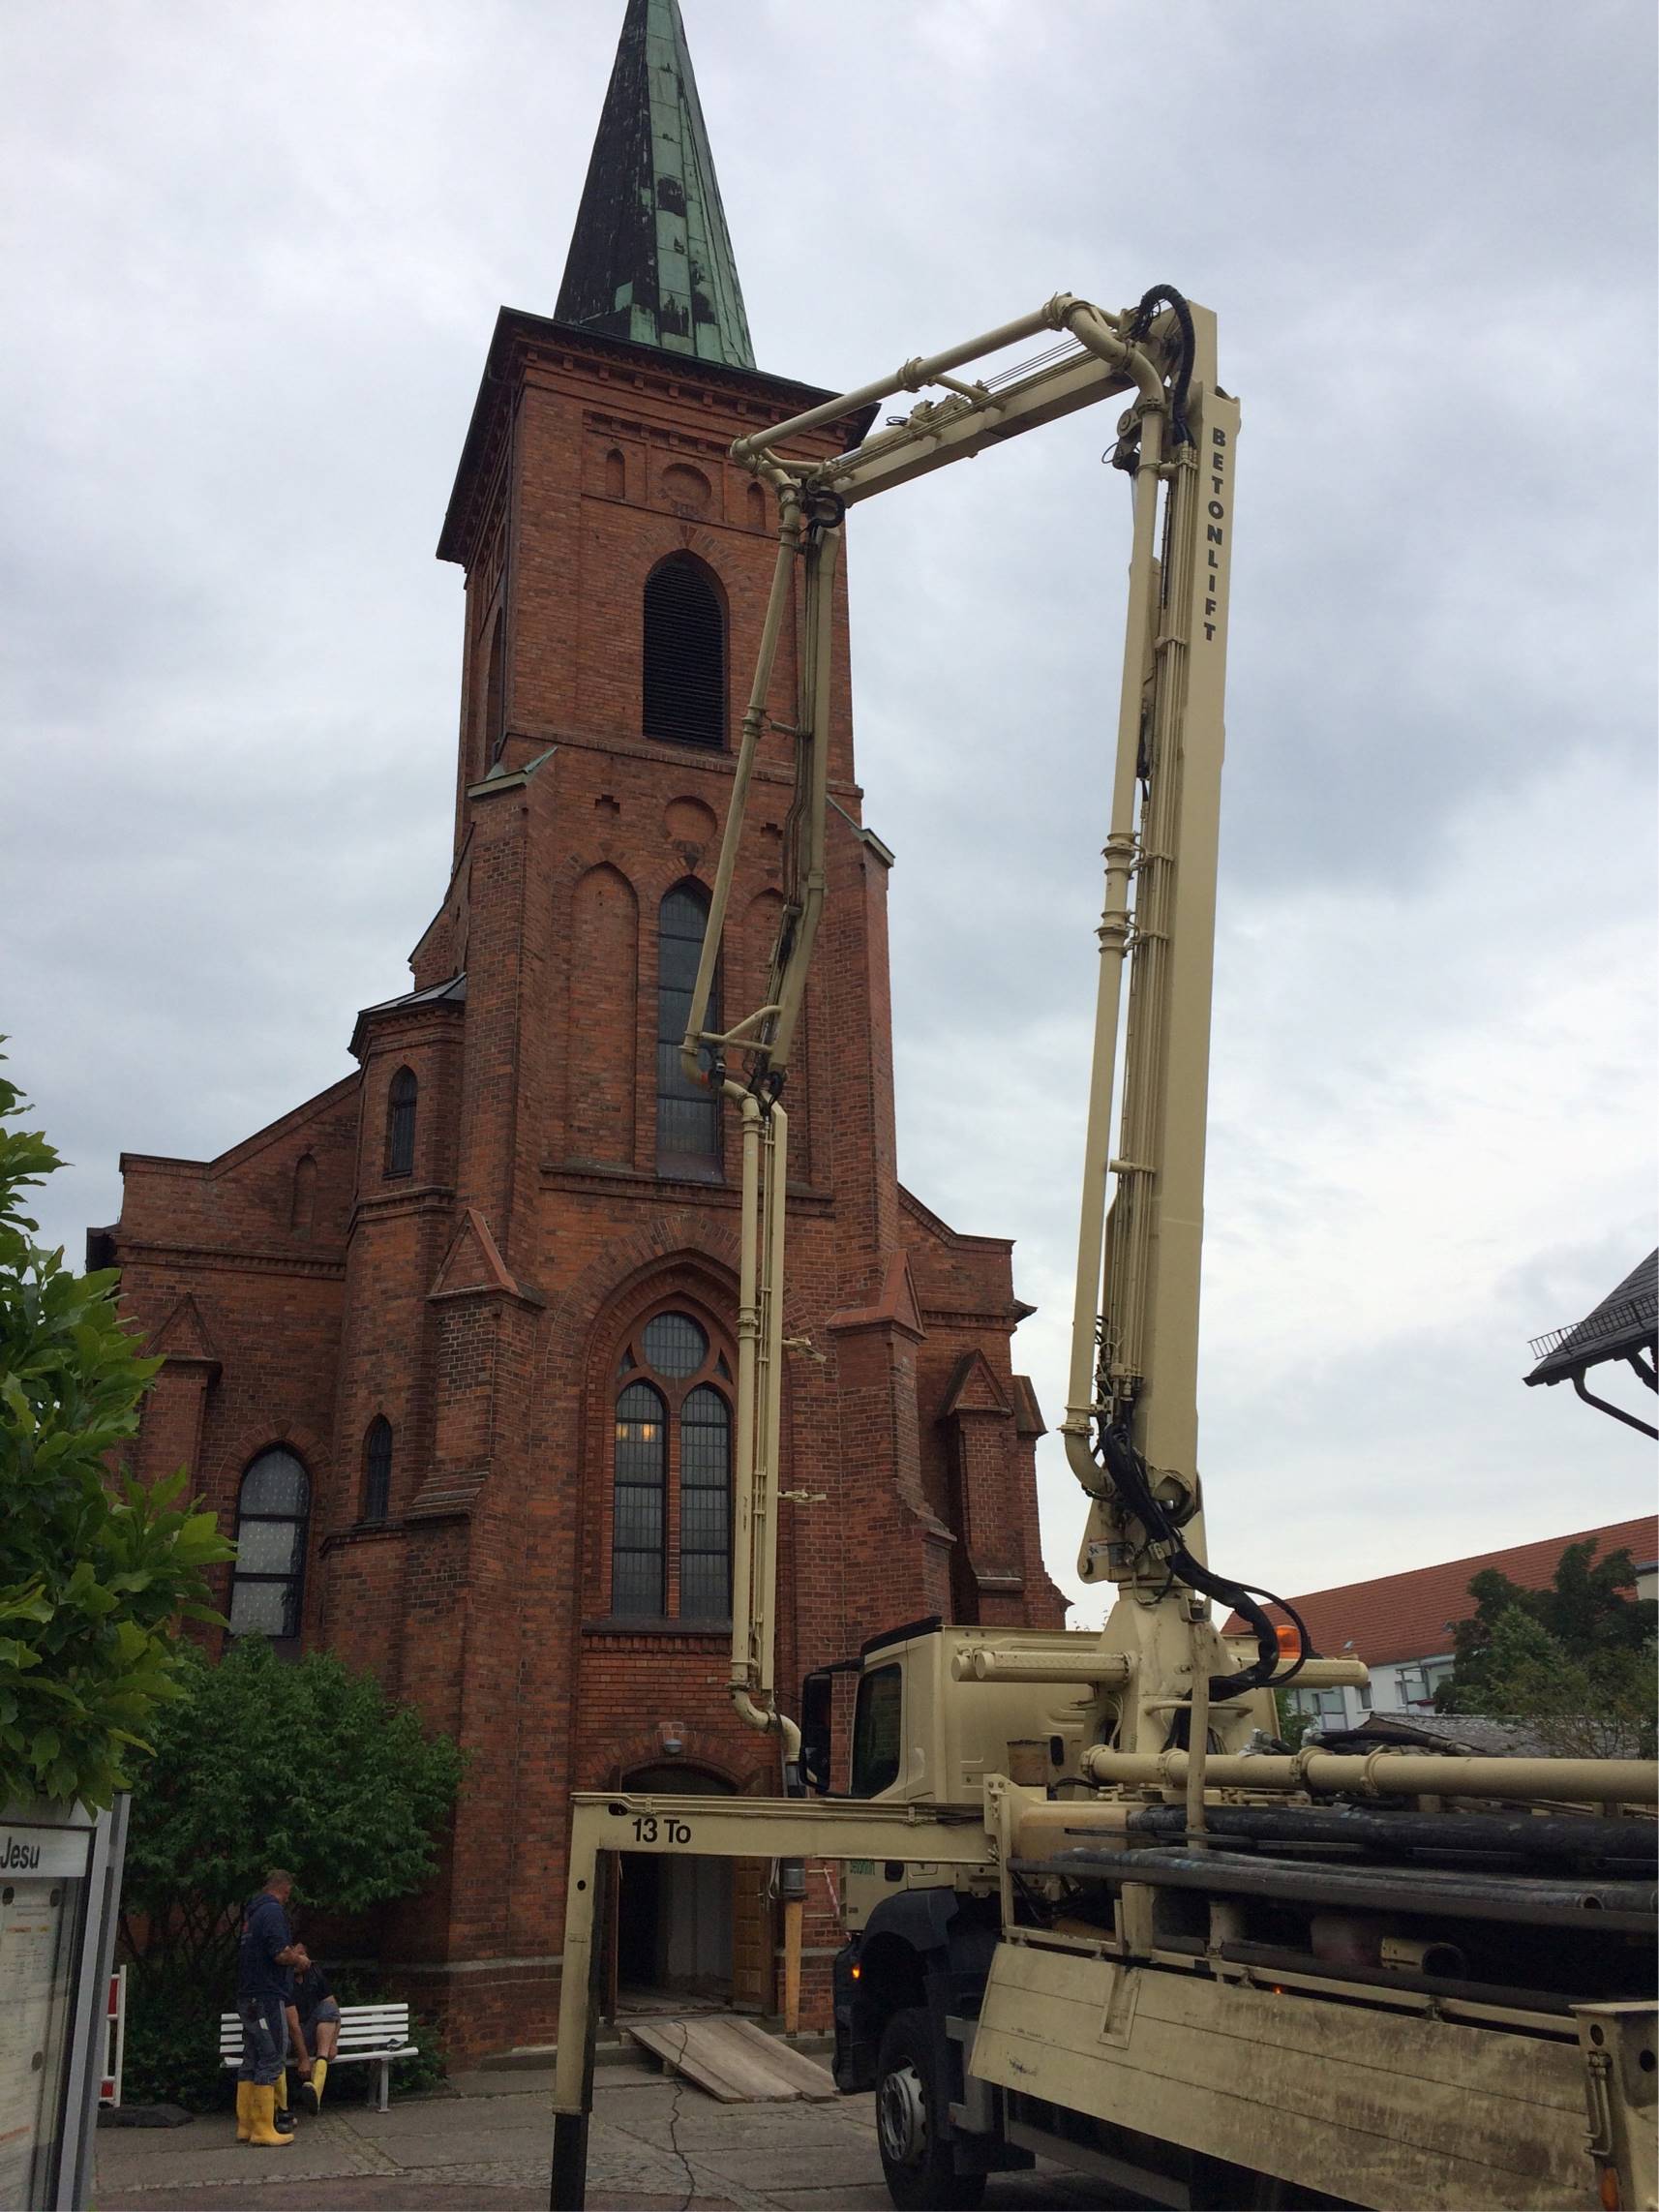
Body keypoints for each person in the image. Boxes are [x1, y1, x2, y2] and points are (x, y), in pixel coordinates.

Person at [235, 1869, 306, 2147]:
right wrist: (298, 1960)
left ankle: (246, 2124)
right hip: (266, 1995)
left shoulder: (251, 1914)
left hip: (247, 1994)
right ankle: (264, 2128)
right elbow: (279, 1953)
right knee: (272, 2056)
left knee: (251, 2058)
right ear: (285, 1890)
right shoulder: (273, 1912)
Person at [286, 1957, 342, 2114]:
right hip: (289, 2039)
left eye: (303, 1954)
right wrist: (303, 2059)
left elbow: (334, 2011)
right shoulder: (283, 1980)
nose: (300, 1959)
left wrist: (333, 2043)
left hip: (314, 2038)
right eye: (297, 1954)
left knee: (328, 2008)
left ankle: (317, 2086)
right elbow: (292, 2025)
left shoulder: (315, 1976)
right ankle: (281, 2108)